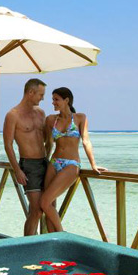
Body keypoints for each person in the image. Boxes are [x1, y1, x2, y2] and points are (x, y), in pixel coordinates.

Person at [40, 87, 107, 232]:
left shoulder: (80, 118)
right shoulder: (51, 119)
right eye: (52, 99)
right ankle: (53, 242)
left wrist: (93, 164)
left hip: (71, 164)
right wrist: (44, 161)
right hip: (54, 163)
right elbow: (49, 144)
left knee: (44, 202)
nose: (53, 102)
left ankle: (62, 235)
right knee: (49, 206)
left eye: (56, 99)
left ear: (66, 100)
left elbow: (86, 141)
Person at [3, 78, 55, 236]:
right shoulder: (13, 115)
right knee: (36, 211)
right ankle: (27, 244)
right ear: (31, 92)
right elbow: (8, 145)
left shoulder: (41, 113)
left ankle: (49, 241)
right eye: (41, 94)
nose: (43, 98)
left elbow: (48, 139)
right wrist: (17, 170)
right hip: (29, 166)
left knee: (50, 208)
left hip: (45, 163)